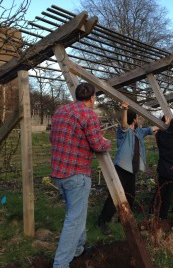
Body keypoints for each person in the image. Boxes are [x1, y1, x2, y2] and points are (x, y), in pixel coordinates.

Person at [50, 83, 111, 268]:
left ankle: (78, 248)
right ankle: (60, 264)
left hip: (58, 172)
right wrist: (107, 142)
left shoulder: (61, 111)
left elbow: (52, 137)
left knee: (75, 214)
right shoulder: (88, 114)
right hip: (76, 173)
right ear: (92, 97)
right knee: (74, 219)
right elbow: (98, 145)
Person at [98, 101, 158, 235]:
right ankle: (102, 220)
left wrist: (163, 123)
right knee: (115, 196)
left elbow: (152, 128)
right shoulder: (123, 132)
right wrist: (124, 110)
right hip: (122, 168)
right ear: (135, 119)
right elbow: (124, 125)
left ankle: (122, 220)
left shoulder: (139, 132)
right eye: (138, 118)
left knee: (130, 195)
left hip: (132, 170)